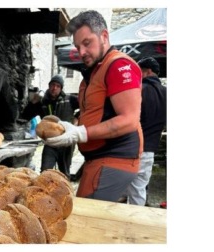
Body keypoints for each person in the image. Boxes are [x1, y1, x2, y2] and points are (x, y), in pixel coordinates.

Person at [44, 10, 143, 202]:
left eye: (87, 43)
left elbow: (129, 120)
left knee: (84, 219)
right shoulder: (95, 70)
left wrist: (80, 133)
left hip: (113, 159)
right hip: (100, 160)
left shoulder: (118, 65)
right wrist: (70, 127)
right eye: (77, 46)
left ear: (104, 36)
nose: (81, 52)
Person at [121, 57, 167, 206]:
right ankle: (135, 224)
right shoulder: (166, 93)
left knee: (119, 190)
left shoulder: (139, 90)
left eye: (139, 71)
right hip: (150, 151)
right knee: (138, 192)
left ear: (147, 71)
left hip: (132, 147)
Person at [21, 75, 79, 179]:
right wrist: (33, 103)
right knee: (45, 172)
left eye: (57, 86)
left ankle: (63, 192)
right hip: (50, 143)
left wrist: (77, 118)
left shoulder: (70, 99)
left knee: (64, 174)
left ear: (61, 88)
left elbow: (87, 106)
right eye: (53, 85)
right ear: (49, 86)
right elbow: (25, 116)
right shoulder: (42, 102)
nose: (54, 88)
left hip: (66, 143)